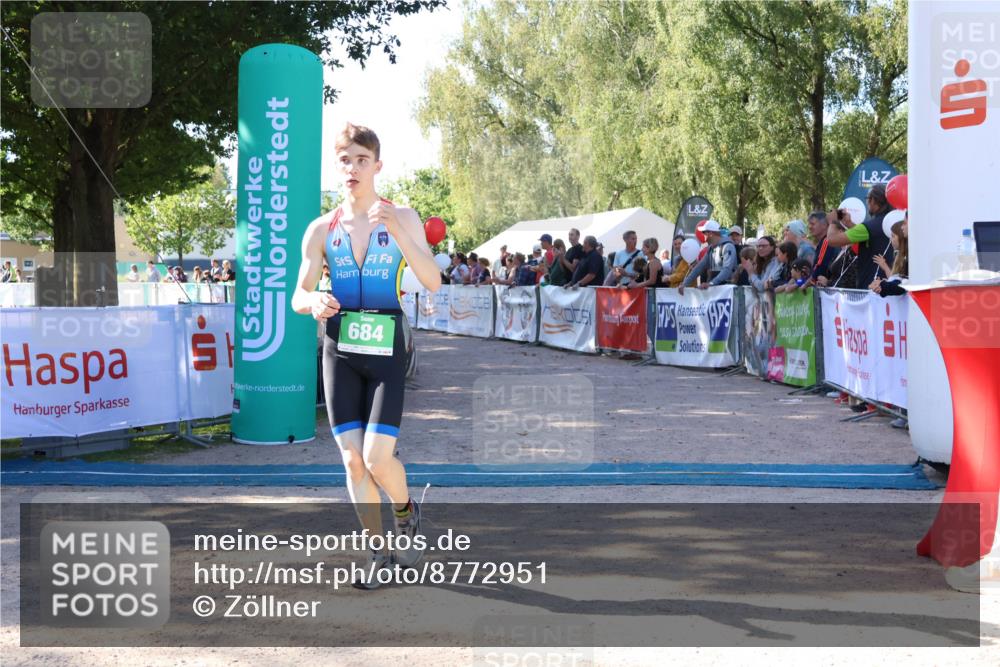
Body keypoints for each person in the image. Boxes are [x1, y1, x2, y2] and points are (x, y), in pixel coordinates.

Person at [291, 122, 441, 589]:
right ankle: (379, 553)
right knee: (353, 461)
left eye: (362, 160)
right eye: (345, 160)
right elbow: (298, 295)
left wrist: (398, 230)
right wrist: (313, 300)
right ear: (337, 167)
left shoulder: (403, 216)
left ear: (377, 166)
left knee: (377, 459)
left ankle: (406, 511)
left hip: (386, 349)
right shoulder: (321, 229)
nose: (353, 168)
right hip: (339, 352)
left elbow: (433, 280)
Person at [825, 184, 895, 290]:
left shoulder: (868, 227)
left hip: (871, 288)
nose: (867, 203)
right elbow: (869, 236)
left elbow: (831, 240)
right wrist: (849, 223)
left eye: (867, 199)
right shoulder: (893, 222)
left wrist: (833, 221)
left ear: (873, 200)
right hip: (889, 285)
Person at [680, 221, 737, 294]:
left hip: (728, 293)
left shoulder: (728, 246)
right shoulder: (710, 249)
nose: (702, 234)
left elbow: (727, 270)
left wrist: (711, 283)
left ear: (710, 233)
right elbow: (699, 267)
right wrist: (685, 284)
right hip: (716, 292)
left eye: (704, 232)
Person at [870, 219, 908, 298]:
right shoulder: (899, 256)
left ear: (901, 237)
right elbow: (896, 280)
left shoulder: (908, 259)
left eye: (893, 236)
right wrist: (882, 283)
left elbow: (903, 284)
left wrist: (883, 286)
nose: (890, 239)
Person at [805, 211, 835, 286]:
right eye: (809, 224)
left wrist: (803, 284)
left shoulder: (826, 241)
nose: (809, 227)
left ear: (824, 225)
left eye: (812, 224)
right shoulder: (823, 241)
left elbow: (820, 268)